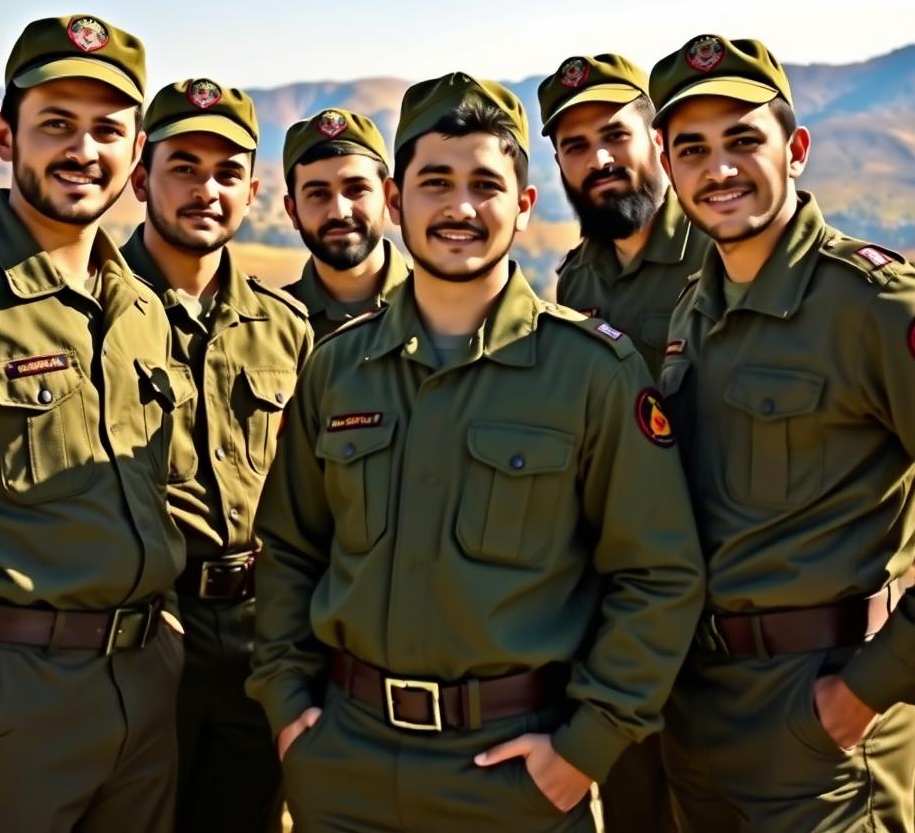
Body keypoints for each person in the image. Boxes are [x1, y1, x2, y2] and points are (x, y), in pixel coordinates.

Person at [248, 71, 704, 832]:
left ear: (523, 206)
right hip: (344, 768)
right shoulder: (338, 366)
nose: (460, 208)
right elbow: (291, 549)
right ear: (397, 202)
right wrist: (291, 709)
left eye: (485, 185)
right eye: (435, 182)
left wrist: (587, 748)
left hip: (514, 778)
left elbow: (658, 574)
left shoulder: (591, 372)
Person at [0, 14, 188, 832]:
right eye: (56, 124)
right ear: (3, 134)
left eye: (106, 130)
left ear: (134, 158)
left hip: (142, 692)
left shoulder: (139, 310)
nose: (82, 150)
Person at [652, 34, 915, 832]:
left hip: (823, 725)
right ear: (668, 166)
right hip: (700, 717)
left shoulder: (873, 304)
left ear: (795, 149)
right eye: (692, 149)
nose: (718, 169)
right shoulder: (693, 312)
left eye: (743, 140)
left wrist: (862, 692)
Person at [122, 78, 311, 832]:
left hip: (258, 642)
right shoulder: (97, 313)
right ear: (142, 177)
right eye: (185, 167)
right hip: (143, 643)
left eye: (229, 173)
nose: (208, 189)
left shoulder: (285, 327)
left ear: (254, 191)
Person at [539, 53, 708, 379]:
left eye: (616, 136)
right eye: (576, 147)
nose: (599, 160)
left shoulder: (718, 257)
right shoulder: (577, 278)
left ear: (658, 142)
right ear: (560, 163)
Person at [283, 108, 409, 339]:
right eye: (318, 194)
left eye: (357, 190)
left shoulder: (441, 308)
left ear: (391, 198)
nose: (340, 213)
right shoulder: (271, 326)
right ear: (292, 211)